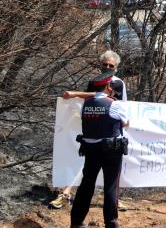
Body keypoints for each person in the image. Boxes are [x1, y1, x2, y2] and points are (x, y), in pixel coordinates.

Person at [53, 51, 129, 211]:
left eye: (111, 65)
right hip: (94, 129)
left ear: (116, 67)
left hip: (111, 130)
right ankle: (68, 193)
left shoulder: (118, 83)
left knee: (112, 173)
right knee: (88, 171)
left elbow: (111, 101)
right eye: (105, 64)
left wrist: (75, 93)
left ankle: (115, 200)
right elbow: (92, 100)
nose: (107, 67)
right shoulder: (93, 82)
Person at [69, 72, 129, 228]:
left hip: (90, 149)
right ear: (108, 86)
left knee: (87, 184)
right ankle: (111, 225)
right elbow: (127, 123)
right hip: (111, 149)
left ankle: (76, 220)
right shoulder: (114, 104)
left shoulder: (86, 104)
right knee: (110, 185)